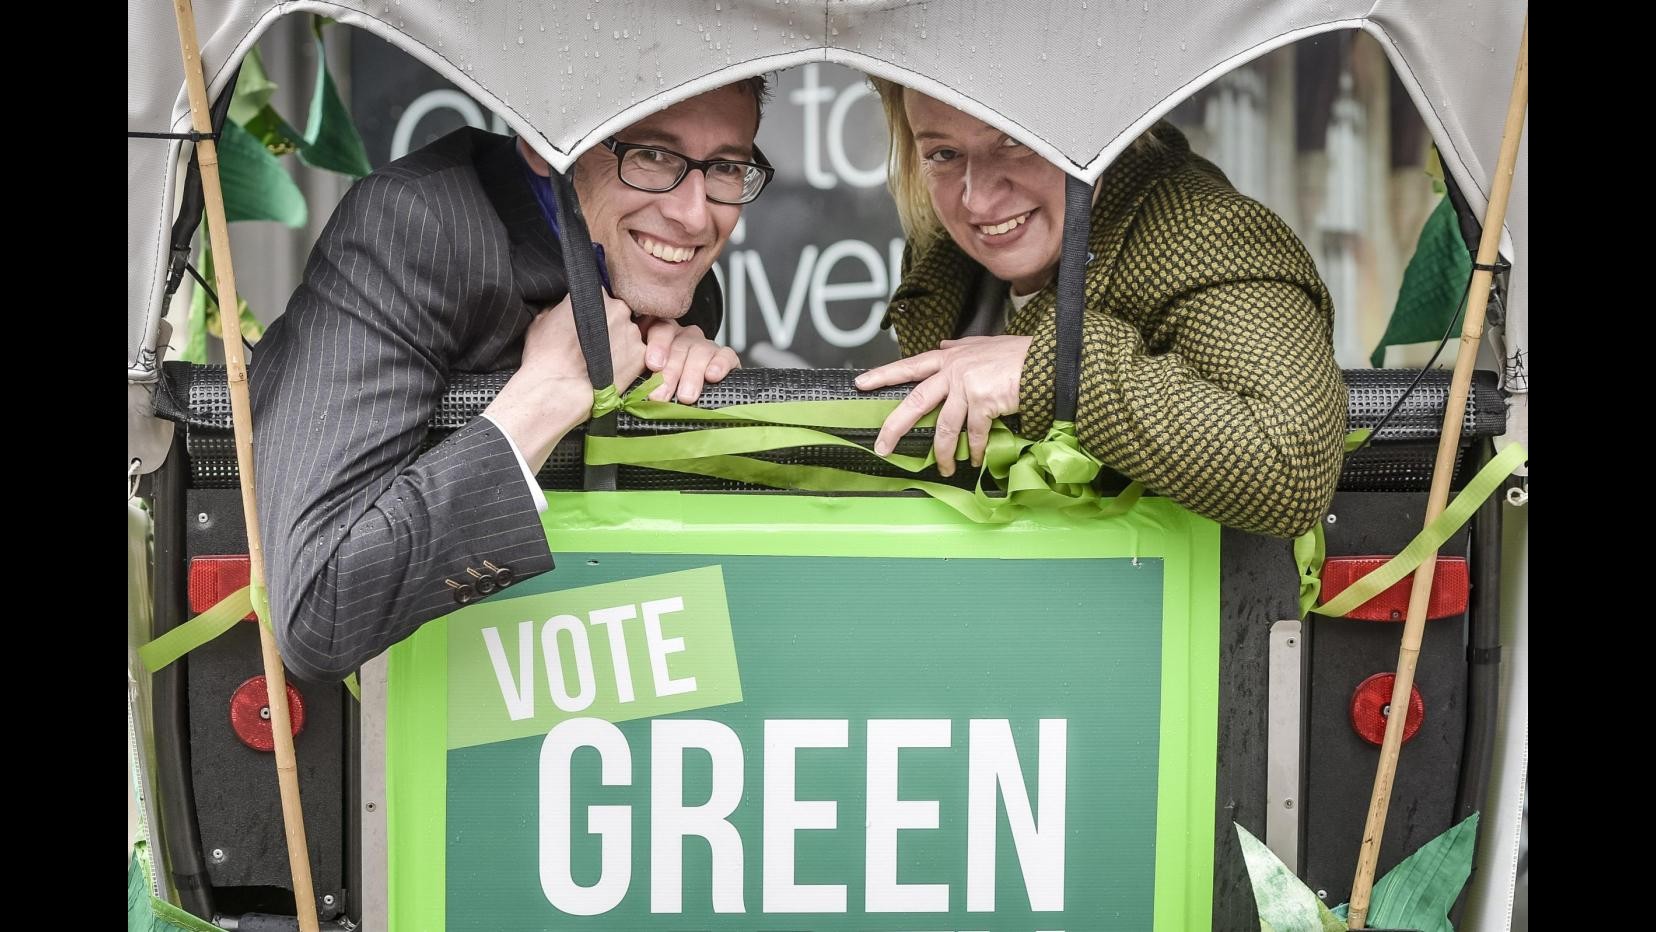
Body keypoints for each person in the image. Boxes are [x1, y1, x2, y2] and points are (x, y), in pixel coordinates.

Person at [250, 79, 774, 681]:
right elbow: (321, 609)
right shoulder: (414, 225)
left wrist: (675, 367)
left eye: (727, 167)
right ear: (542, 141)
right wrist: (544, 397)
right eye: (654, 155)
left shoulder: (677, 278)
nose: (693, 215)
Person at [857, 80, 1345, 538]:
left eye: (1015, 140)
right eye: (944, 153)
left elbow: (1293, 468)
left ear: (1100, 127)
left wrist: (1048, 369)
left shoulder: (1207, 232)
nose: (977, 198)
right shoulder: (942, 254)